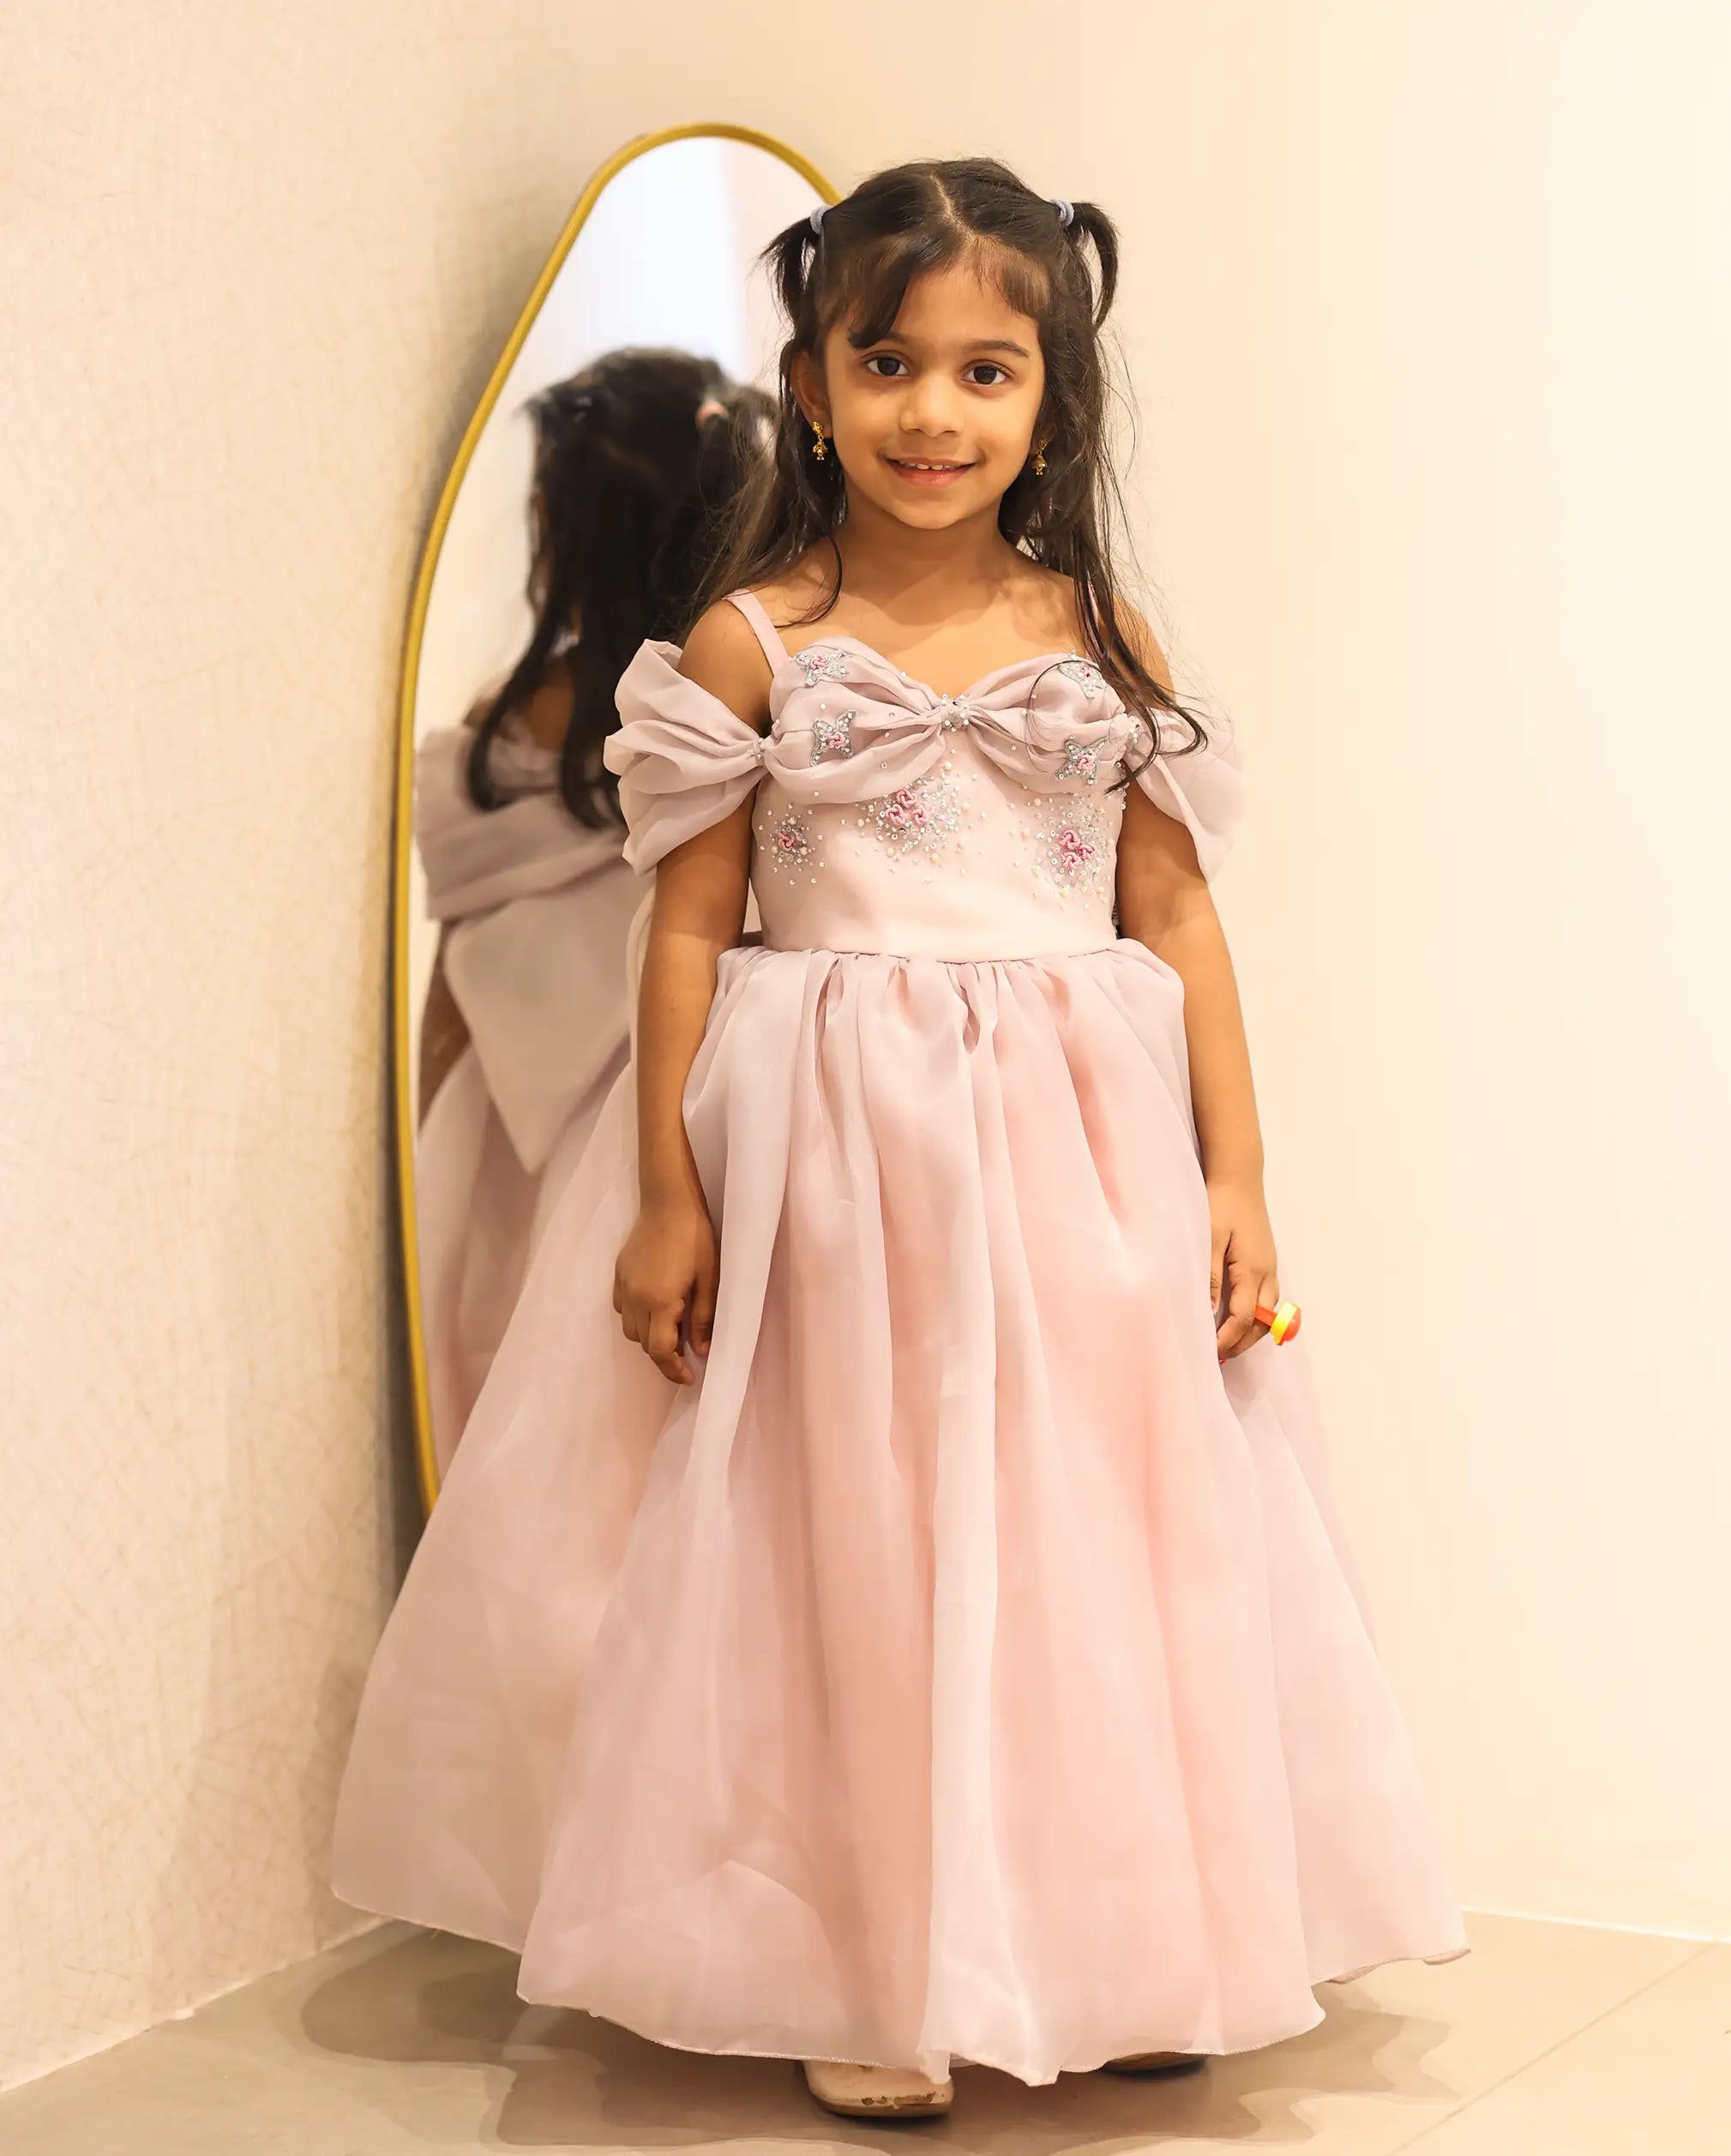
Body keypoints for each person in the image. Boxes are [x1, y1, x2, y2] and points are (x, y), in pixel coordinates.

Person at [333, 158, 1470, 2121]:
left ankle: (1109, 1937)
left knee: (1087, 1536)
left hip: (1072, 1146)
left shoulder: (1094, 628)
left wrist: (1239, 1178)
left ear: (1049, 398)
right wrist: (669, 1194)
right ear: (809, 379)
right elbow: (684, 926)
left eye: (983, 372)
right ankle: (865, 1954)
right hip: (831, 1153)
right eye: (886, 363)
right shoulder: (761, 635)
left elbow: (1175, 915)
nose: (930, 415)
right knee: (849, 1538)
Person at [413, 348, 767, 1475]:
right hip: (696, 1123)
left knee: (517, 1406)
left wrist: (419, 1108)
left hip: (503, 1132)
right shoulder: (747, 711)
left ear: (567, 534)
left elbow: (451, 998)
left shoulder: (508, 727)